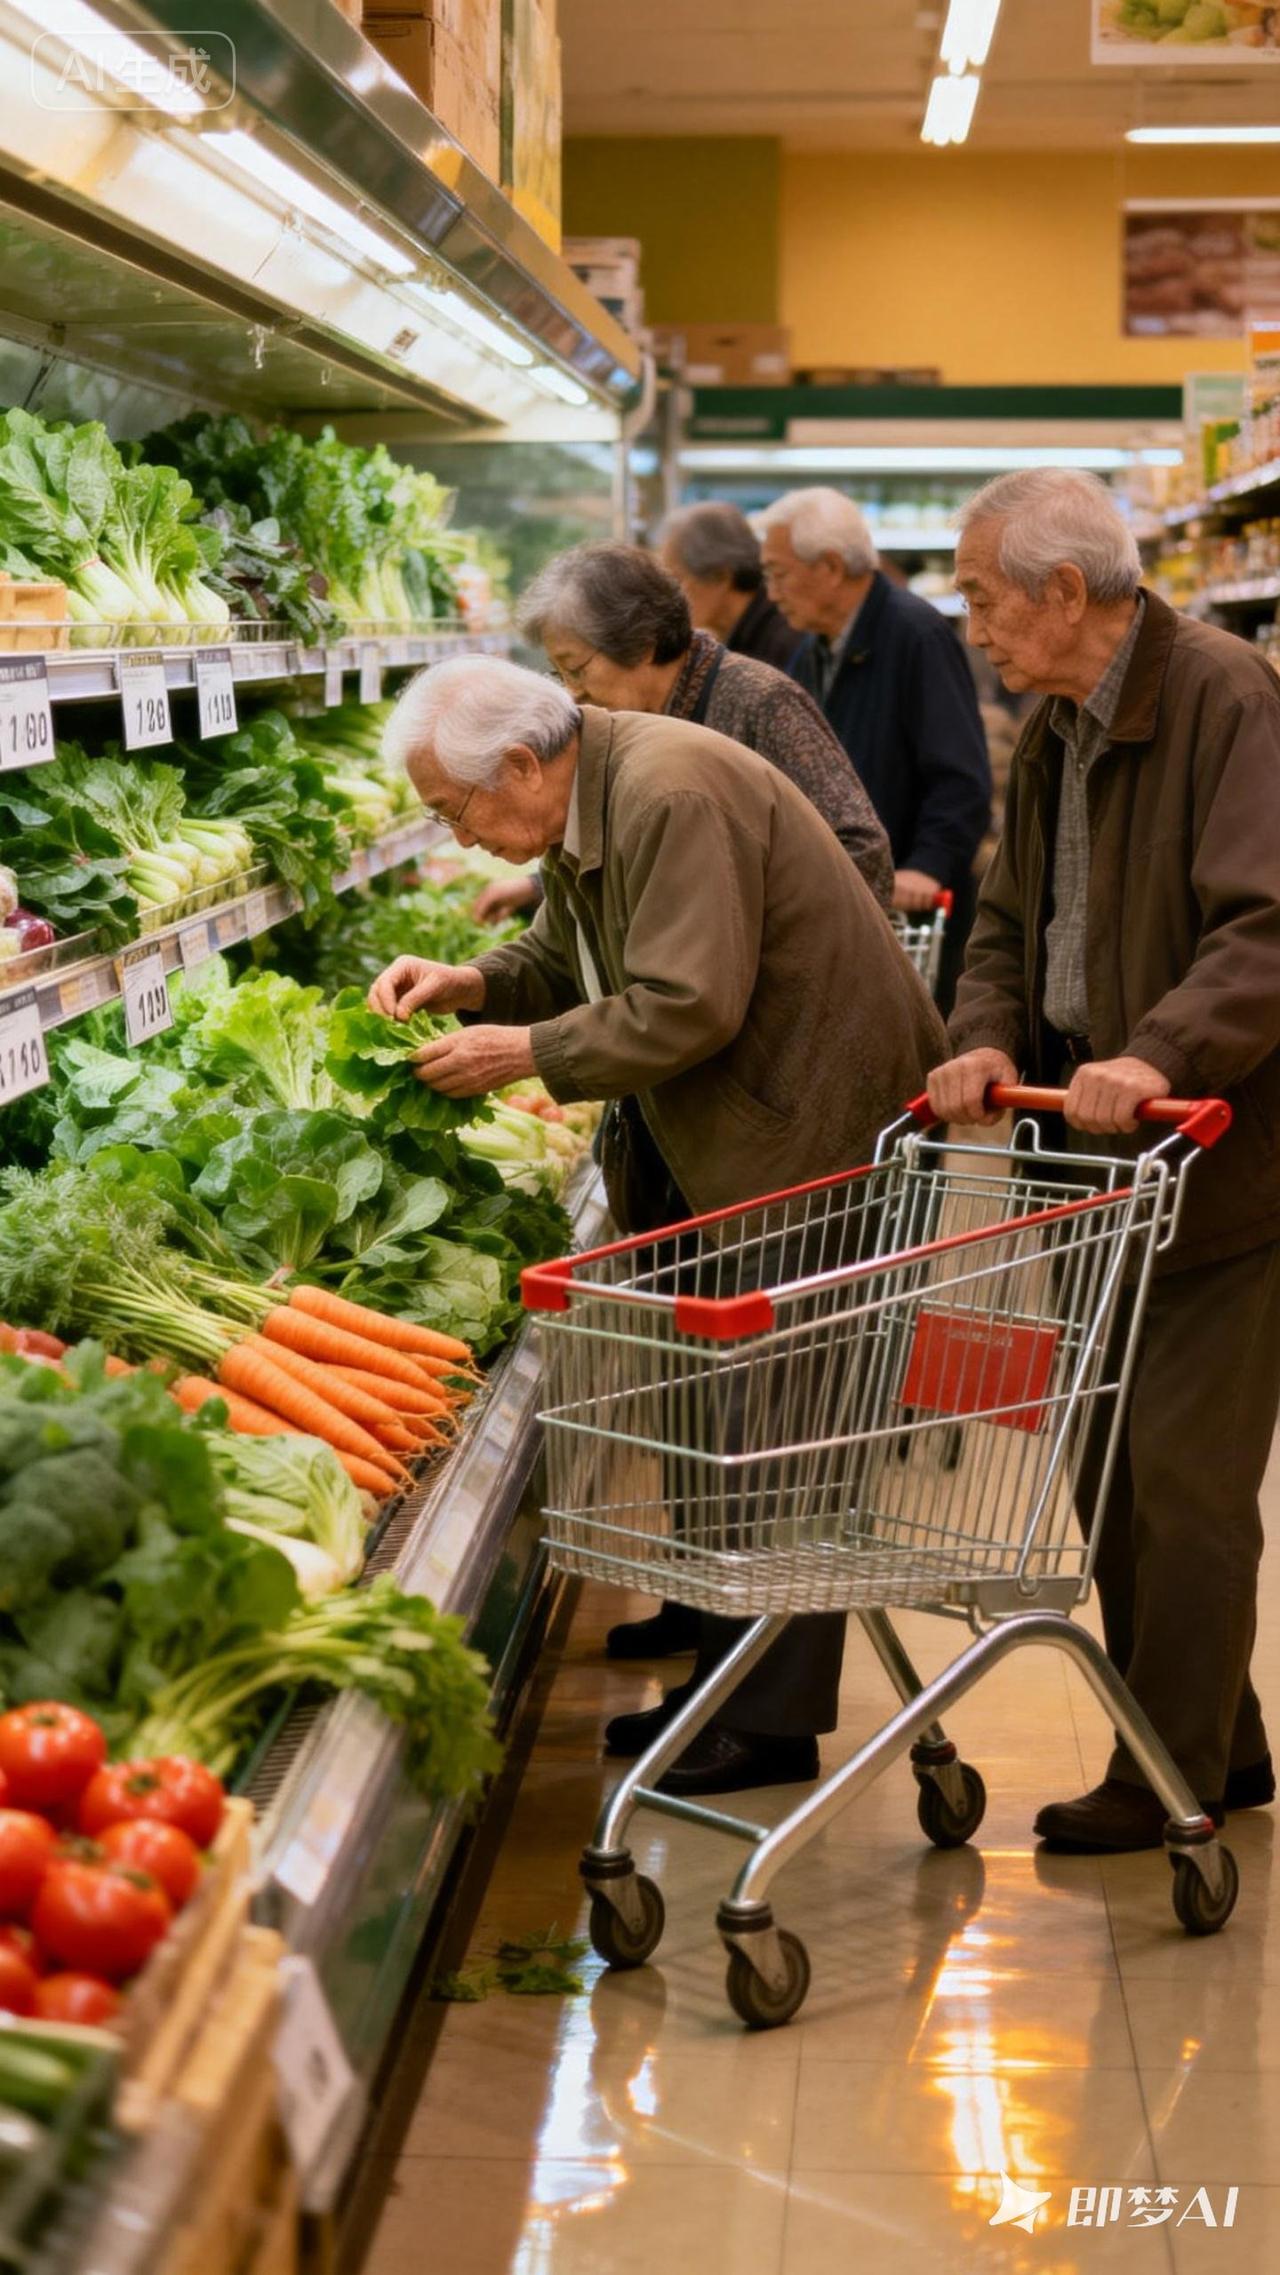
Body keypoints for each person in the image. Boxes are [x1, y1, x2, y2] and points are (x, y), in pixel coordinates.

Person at [370, 654, 947, 1797]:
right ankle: (724, 1679)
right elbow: (567, 957)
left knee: (785, 1431)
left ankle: (769, 1724)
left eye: (455, 809)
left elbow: (686, 1000)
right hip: (732, 1128)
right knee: (730, 1421)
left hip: (807, 1126)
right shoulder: (592, 799)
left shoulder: (668, 790)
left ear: (522, 765)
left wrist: (523, 1052)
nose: (457, 837)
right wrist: (475, 983)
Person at [927, 466, 1280, 1854]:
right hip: (1082, 1159)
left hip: (1216, 1165)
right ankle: (1214, 1737)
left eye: (982, 599)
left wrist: (1163, 1053)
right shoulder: (1055, 721)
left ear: (1064, 591)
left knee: (1184, 1485)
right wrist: (979, 1033)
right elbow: (1008, 918)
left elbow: (1265, 926)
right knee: (1103, 1463)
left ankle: (1164, 1770)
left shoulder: (1226, 698)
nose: (976, 630)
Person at [471, 544, 893, 931]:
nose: (572, 692)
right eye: (558, 673)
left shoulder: (760, 701)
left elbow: (863, 851)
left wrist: (754, 937)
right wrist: (538, 888)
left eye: (577, 669)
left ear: (643, 644)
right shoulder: (632, 722)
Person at [758, 486, 992, 1009]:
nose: (771, 593)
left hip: (913, 909)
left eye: (778, 573)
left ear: (832, 568)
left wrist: (927, 866)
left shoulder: (915, 635)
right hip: (850, 904)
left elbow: (960, 775)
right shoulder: (811, 650)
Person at [657, 499, 803, 672]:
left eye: (677, 580)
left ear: (720, 576)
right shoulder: (743, 636)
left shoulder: (781, 644)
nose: (668, 598)